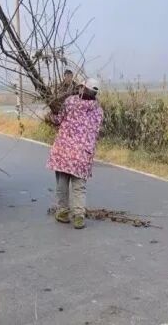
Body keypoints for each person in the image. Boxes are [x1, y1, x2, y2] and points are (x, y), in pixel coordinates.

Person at [46, 78, 104, 229]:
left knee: (62, 183)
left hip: (64, 151)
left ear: (83, 89)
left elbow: (59, 119)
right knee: (79, 187)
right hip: (83, 154)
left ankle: (63, 212)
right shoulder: (98, 110)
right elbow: (96, 131)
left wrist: (49, 117)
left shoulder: (71, 102)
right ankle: (78, 216)